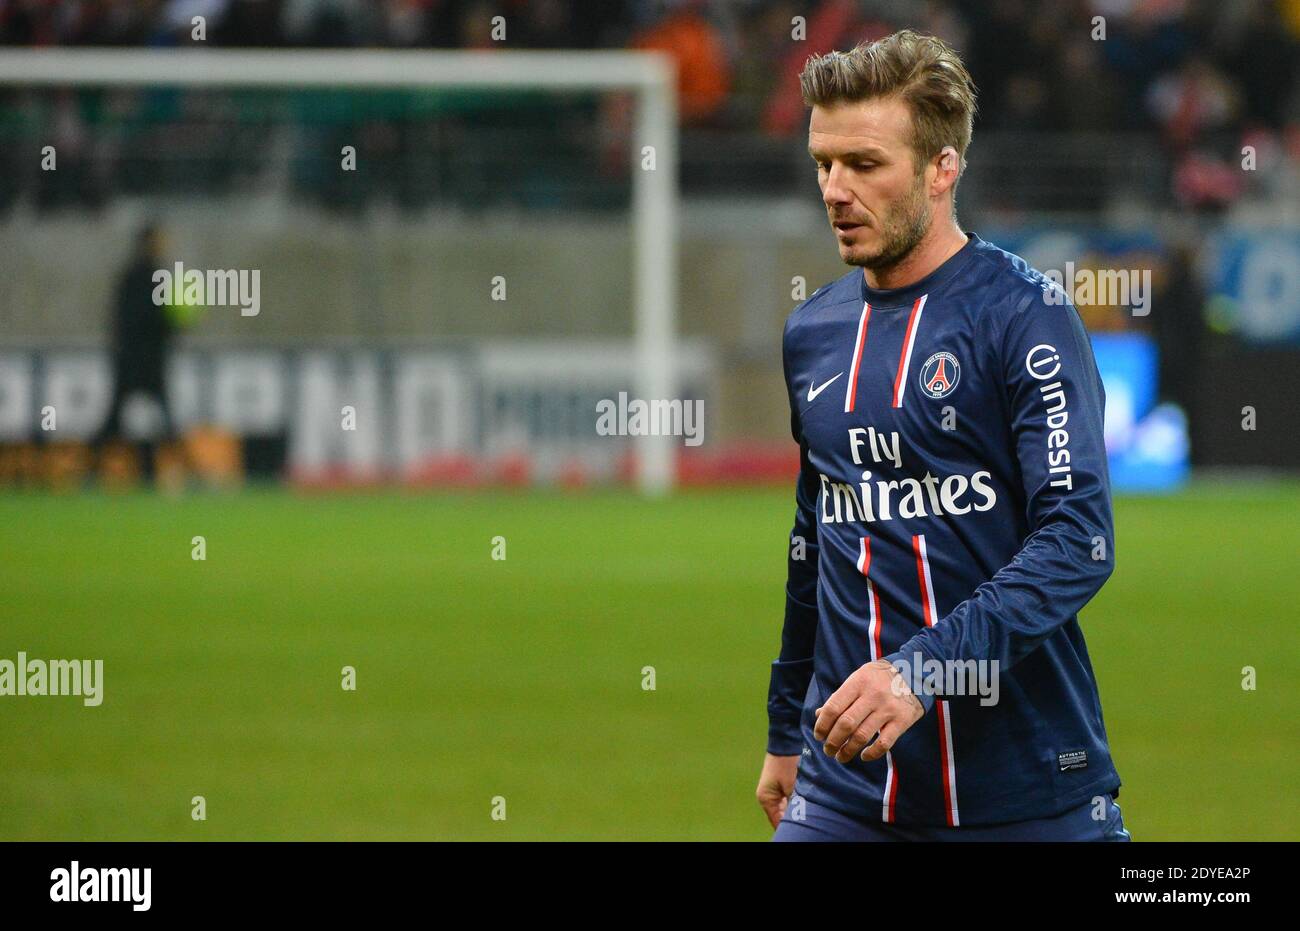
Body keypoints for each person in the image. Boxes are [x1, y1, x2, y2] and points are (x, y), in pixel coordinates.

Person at [757, 30, 1129, 841]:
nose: (835, 189)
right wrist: (787, 725)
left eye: (864, 163)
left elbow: (1078, 539)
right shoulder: (813, 332)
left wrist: (921, 672)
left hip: (1027, 793)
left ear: (941, 169)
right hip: (844, 791)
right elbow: (814, 538)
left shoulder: (1024, 316)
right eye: (823, 162)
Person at [94, 223, 178, 481]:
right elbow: (148, 320)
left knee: (120, 419)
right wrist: (173, 323)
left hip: (131, 357)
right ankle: (162, 470)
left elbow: (122, 321)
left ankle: (146, 469)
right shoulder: (148, 277)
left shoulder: (133, 275)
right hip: (143, 359)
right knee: (155, 418)